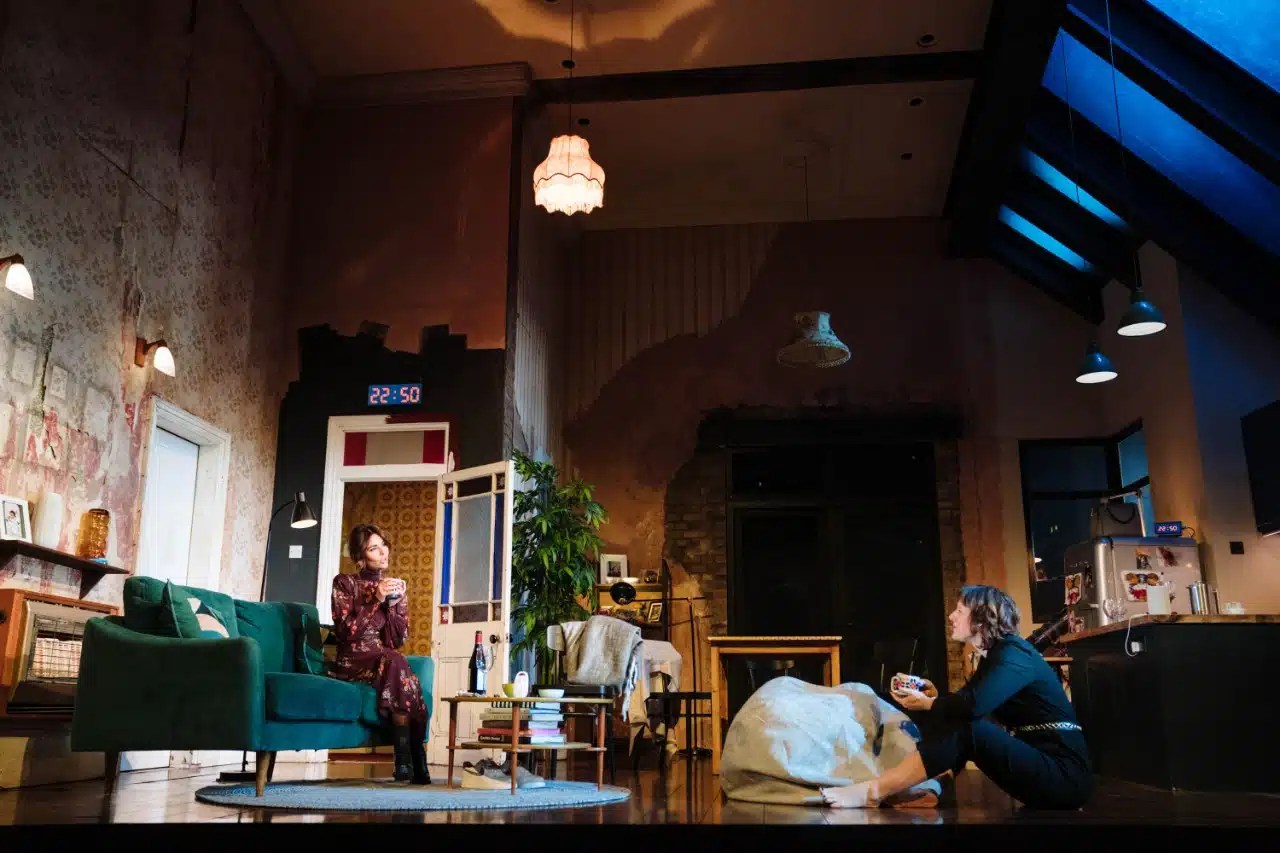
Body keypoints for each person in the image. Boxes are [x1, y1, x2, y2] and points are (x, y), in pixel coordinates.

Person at [821, 585, 1092, 810]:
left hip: (1064, 777)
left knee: (967, 728)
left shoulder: (1015, 653)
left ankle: (873, 791)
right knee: (956, 722)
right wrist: (936, 698)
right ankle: (928, 788)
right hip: (1043, 767)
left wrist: (931, 703)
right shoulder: (997, 655)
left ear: (982, 619)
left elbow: (972, 707)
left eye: (960, 611)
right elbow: (970, 704)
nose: (951, 616)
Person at [330, 523, 429, 783]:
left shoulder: (391, 586)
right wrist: (376, 599)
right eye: (374, 548)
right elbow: (346, 632)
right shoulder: (345, 583)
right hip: (352, 659)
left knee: (398, 663)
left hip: (382, 658)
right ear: (360, 557)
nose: (383, 552)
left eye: (383, 544)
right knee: (399, 666)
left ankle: (406, 762)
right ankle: (414, 760)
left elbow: (396, 640)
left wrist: (395, 605)